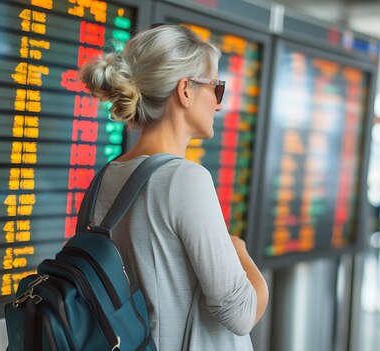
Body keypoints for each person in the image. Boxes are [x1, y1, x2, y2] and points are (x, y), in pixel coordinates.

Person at [80, 25, 268, 350]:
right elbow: (240, 313)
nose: (219, 105)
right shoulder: (184, 178)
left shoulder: (105, 177)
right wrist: (239, 252)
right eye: (216, 89)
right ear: (185, 90)